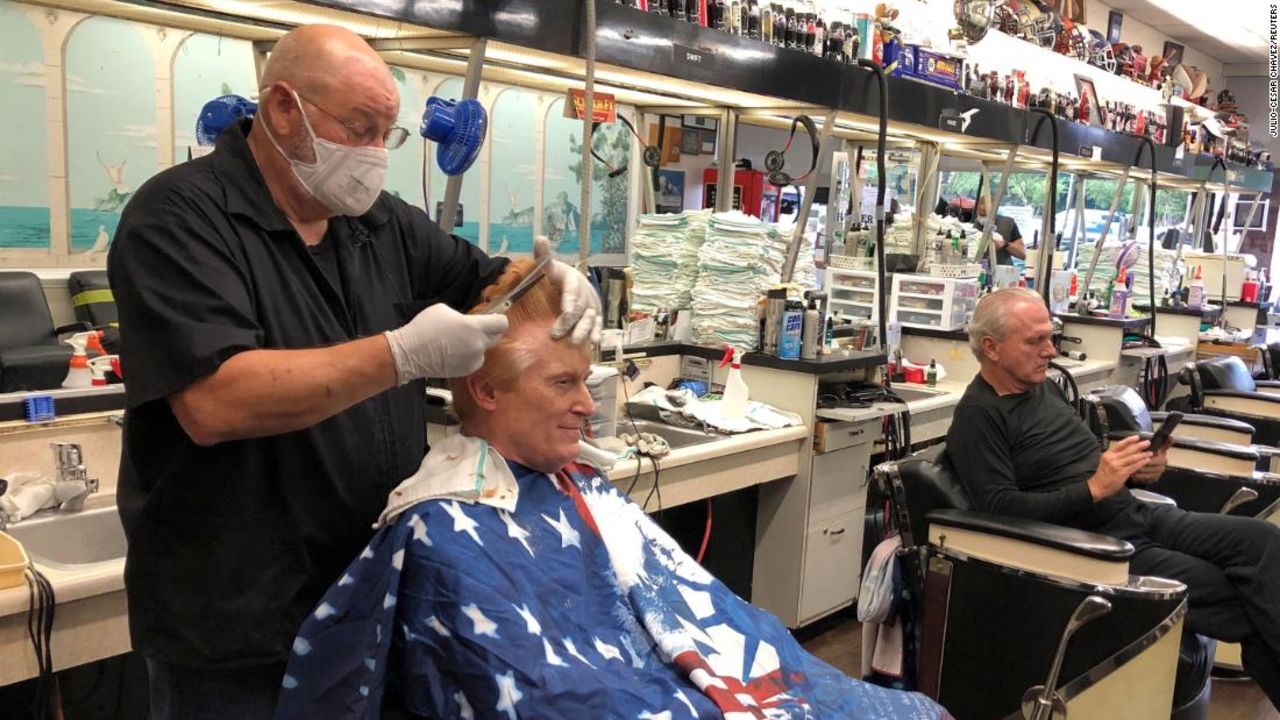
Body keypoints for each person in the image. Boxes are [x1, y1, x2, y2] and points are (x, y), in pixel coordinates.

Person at [107, 25, 600, 720]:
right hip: (238, 631)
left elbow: (491, 284)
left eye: (386, 136)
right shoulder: (180, 217)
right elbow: (217, 402)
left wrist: (555, 286)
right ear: (283, 108)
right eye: (358, 128)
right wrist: (400, 355)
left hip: (368, 597)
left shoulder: (377, 222)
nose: (373, 155)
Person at [273, 259, 953, 720]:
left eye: (587, 382)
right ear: (483, 388)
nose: (587, 406)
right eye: (563, 384)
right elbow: (536, 690)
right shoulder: (440, 530)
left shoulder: (574, 486)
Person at [947, 288, 1280, 710]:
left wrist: (1138, 468)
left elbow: (1085, 460)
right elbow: (998, 510)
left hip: (1136, 511)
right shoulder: (978, 416)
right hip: (1097, 543)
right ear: (991, 348)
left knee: (1262, 541)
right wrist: (1093, 489)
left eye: (1051, 337)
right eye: (1035, 341)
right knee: (1244, 597)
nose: (1050, 350)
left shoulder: (1040, 388)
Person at [974, 194, 1026, 265]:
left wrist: (1005, 244)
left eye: (985, 215)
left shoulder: (1008, 224)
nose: (982, 219)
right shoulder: (971, 226)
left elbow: (1022, 254)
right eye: (981, 215)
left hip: (1002, 272)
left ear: (994, 211)